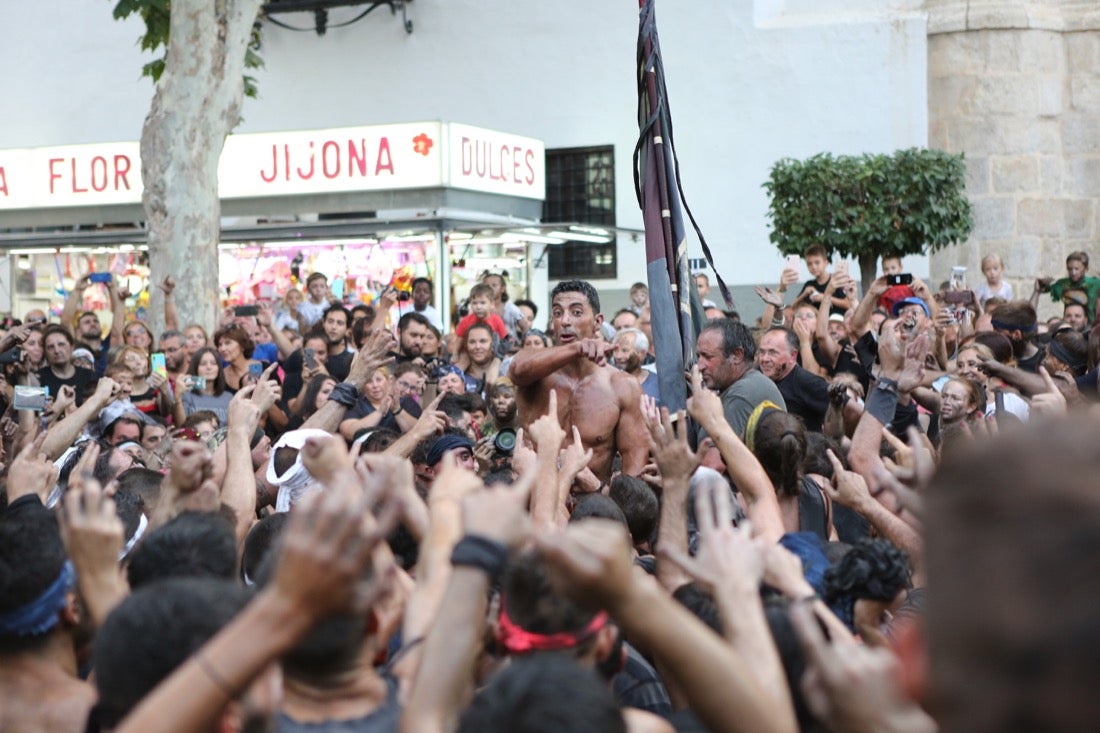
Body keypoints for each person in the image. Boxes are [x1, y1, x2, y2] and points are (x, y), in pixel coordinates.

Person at [509, 280, 649, 481]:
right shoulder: (533, 368)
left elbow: (634, 472)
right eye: (558, 313)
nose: (565, 321)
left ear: (598, 322)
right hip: (536, 499)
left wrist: (601, 493)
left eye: (576, 312)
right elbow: (517, 370)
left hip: (593, 502)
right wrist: (577, 348)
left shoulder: (622, 386)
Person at [694, 318, 786, 454]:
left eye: (708, 357)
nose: (700, 366)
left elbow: (713, 467)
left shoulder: (742, 393)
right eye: (699, 356)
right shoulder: (745, 384)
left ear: (737, 355)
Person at [757, 327, 829, 433]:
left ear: (792, 355)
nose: (765, 359)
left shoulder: (808, 382)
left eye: (773, 353)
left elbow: (851, 412)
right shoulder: (756, 377)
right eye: (762, 352)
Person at [37, 325, 97, 406]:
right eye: (50, 347)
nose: (57, 350)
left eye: (61, 344)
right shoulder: (38, 378)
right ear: (45, 352)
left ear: (72, 347)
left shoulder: (89, 375)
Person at [173, 346, 233, 426]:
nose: (209, 367)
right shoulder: (186, 395)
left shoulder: (228, 397)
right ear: (195, 368)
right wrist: (178, 398)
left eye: (213, 363)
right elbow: (181, 425)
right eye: (203, 364)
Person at [1035, 250, 1100, 322]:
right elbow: (1043, 289)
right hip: (1070, 322)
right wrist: (1043, 283)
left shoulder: (1095, 284)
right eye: (1070, 269)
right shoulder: (1062, 284)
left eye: (1076, 269)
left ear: (1086, 269)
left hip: (1090, 324)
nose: (1073, 272)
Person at [793, 244, 852, 316]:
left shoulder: (835, 281)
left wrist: (824, 298)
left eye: (817, 263)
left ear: (826, 262)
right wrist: (803, 294)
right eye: (809, 264)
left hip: (836, 323)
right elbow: (793, 308)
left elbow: (848, 304)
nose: (813, 267)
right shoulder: (809, 284)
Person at [612, 327, 660, 403]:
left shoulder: (658, 384)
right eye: (615, 350)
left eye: (625, 350)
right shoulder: (608, 382)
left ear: (642, 353)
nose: (618, 356)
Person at [454, 321, 501, 396]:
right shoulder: (459, 374)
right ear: (466, 345)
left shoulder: (505, 371)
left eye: (483, 341)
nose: (477, 346)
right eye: (472, 342)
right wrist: (457, 370)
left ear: (493, 344)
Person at [481, 271, 529, 341]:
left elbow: (525, 327)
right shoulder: (478, 308)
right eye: (487, 286)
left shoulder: (511, 309)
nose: (490, 288)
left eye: (494, 285)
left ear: (502, 289)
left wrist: (523, 345)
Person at [317, 304, 354, 382]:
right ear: (323, 323)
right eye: (330, 321)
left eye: (340, 323)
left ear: (347, 329)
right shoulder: (309, 354)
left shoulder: (352, 362)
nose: (334, 327)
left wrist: (326, 378)